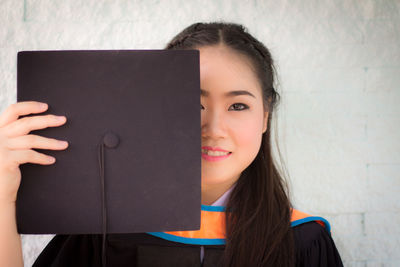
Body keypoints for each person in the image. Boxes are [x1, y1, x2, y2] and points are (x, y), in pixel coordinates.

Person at [0, 22, 344, 267]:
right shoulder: (104, 229)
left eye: (238, 105)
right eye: (193, 104)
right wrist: (3, 195)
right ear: (158, 107)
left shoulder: (303, 241)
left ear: (266, 116)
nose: (214, 129)